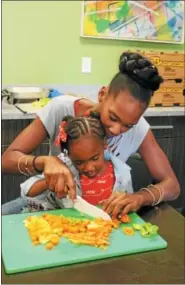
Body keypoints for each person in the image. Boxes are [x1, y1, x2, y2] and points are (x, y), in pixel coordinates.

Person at [2, 52, 180, 217]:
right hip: (47, 205)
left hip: (96, 214)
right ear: (102, 94)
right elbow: (6, 161)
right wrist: (46, 162)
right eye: (113, 117)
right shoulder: (61, 108)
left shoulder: (140, 130)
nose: (116, 130)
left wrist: (140, 197)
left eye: (128, 125)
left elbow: (172, 185)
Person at [2, 115, 133, 215]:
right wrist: (50, 181)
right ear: (68, 155)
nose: (89, 168)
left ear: (105, 144)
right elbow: (27, 192)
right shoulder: (65, 167)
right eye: (79, 162)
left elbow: (127, 205)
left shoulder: (121, 173)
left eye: (95, 158)